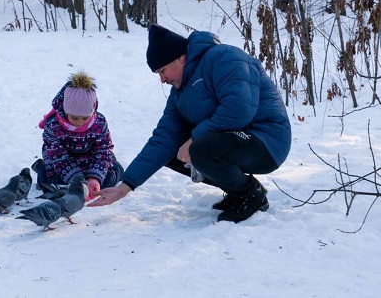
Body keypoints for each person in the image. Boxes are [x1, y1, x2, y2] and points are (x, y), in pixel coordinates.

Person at [89, 24, 292, 223]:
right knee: (171, 151)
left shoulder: (225, 58)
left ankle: (252, 196)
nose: (162, 79)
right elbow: (163, 139)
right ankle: (237, 190)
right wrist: (125, 187)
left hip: (267, 141)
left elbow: (239, 110)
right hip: (234, 141)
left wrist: (195, 138)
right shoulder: (179, 93)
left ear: (181, 57)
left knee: (201, 148)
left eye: (163, 70)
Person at [32, 71, 123, 200]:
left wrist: (94, 178)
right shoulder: (53, 126)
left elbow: (102, 150)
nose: (80, 123)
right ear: (65, 110)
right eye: (74, 117)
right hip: (62, 166)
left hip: (90, 162)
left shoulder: (99, 122)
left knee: (111, 177)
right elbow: (58, 157)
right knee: (51, 184)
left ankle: (100, 173)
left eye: (85, 118)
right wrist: (77, 181)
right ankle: (41, 167)